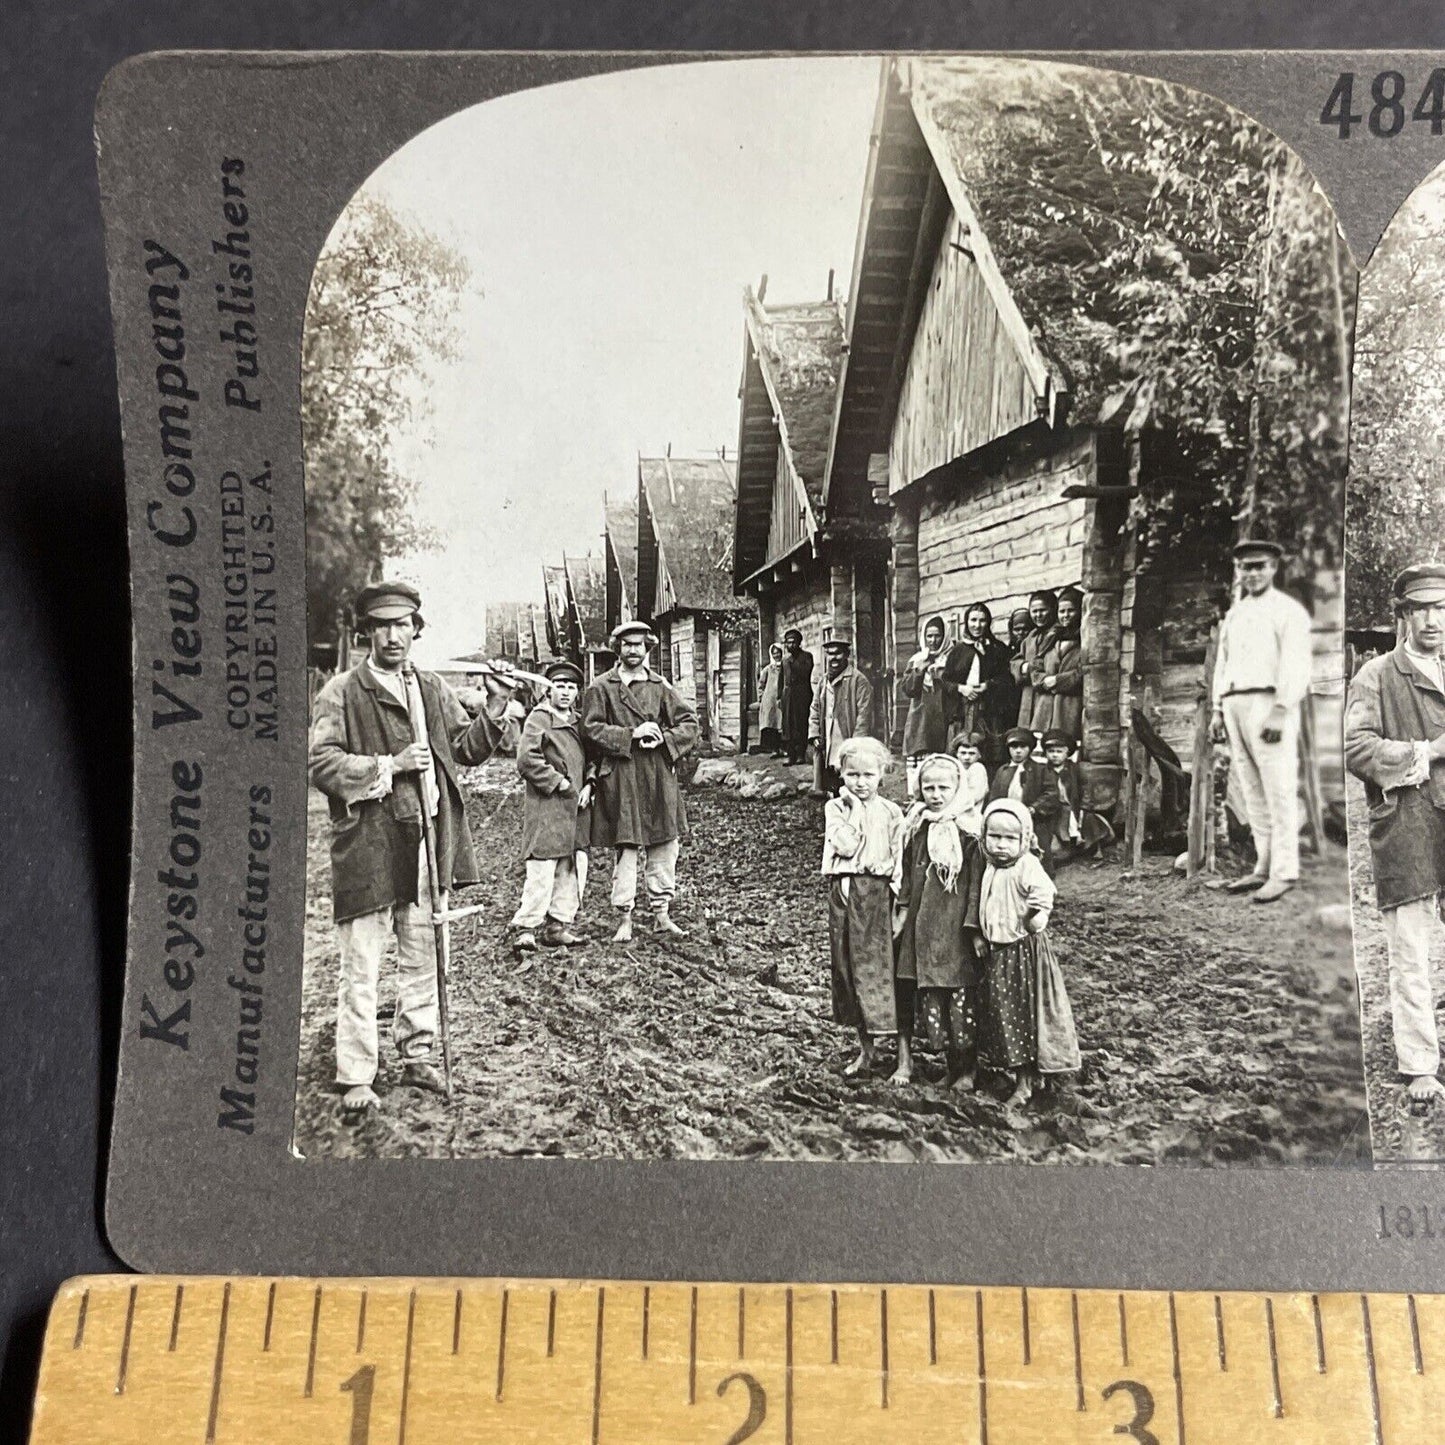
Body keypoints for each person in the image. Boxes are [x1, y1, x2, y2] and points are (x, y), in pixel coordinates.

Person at [308, 580, 526, 1119]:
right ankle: (357, 1072)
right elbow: (320, 763)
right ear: (367, 634)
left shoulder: (430, 688)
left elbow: (467, 750)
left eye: (402, 624)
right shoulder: (341, 692)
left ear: (416, 630)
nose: (393, 635)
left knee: (424, 955)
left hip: (427, 840)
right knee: (362, 962)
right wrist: (389, 766)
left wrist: (496, 706)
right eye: (381, 625)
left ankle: (417, 1053)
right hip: (368, 844)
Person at [1344, 561, 1445, 1105]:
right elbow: (1356, 749)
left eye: (1441, 608)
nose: (1433, 620)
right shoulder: (1376, 676)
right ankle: (1420, 1065)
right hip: (1408, 825)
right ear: (1403, 615)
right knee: (1411, 948)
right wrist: (1426, 752)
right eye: (1422, 609)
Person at [581, 620, 700, 943]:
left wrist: (663, 737)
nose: (633, 650)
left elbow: (689, 723)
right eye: (626, 644)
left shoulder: (660, 686)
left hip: (657, 775)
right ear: (617, 648)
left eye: (639, 644)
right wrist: (630, 735)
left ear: (648, 648)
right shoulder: (601, 687)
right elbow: (590, 729)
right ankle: (625, 916)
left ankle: (662, 913)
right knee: (628, 846)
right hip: (622, 775)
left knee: (664, 843)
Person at [1210, 538, 1314, 904]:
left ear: (1273, 568)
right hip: (1236, 702)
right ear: (1238, 572)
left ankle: (1284, 871)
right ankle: (1262, 864)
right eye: (1245, 567)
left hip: (1269, 702)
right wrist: (1217, 710)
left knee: (1279, 788)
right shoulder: (1235, 614)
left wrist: (1282, 709)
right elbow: (1223, 663)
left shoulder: (1287, 611)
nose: (1252, 574)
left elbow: (1297, 664)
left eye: (1259, 566)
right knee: (1252, 789)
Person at [976, 798, 1081, 1108]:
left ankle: (1027, 1082)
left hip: (1024, 951)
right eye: (994, 837)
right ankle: (1021, 1074)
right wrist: (983, 935)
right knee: (1006, 1014)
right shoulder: (992, 866)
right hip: (1000, 952)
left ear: (1024, 839)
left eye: (1010, 838)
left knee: (1024, 1013)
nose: (1001, 845)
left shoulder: (1026, 865)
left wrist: (1034, 917)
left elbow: (1044, 895)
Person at [894, 754, 986, 1089]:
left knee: (960, 997)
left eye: (943, 787)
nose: (935, 794)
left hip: (955, 928)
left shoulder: (969, 833)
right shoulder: (918, 826)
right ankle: (950, 1064)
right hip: (923, 926)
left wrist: (974, 928)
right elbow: (905, 873)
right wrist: (903, 908)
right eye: (928, 787)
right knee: (933, 997)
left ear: (958, 787)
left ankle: (968, 1068)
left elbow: (976, 884)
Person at [822, 736, 905, 1079]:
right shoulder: (836, 809)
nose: (860, 782)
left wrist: (898, 908)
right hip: (844, 891)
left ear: (881, 775)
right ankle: (866, 1050)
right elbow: (846, 844)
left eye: (868, 775)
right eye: (852, 774)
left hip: (877, 894)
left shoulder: (891, 812)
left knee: (883, 970)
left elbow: (899, 860)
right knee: (848, 970)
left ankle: (903, 1057)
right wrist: (854, 808)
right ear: (841, 774)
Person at [511, 659, 593, 953]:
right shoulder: (539, 719)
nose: (566, 692)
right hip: (547, 806)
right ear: (548, 691)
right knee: (542, 869)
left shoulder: (579, 721)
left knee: (572, 867)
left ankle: (558, 925)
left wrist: (589, 784)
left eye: (571, 687)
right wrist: (558, 782)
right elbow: (527, 759)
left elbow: (593, 757)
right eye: (559, 686)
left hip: (577, 808)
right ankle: (527, 928)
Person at [943, 601, 1013, 755]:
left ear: (988, 622)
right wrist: (962, 689)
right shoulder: (958, 651)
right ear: (967, 622)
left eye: (982, 620)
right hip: (963, 710)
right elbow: (945, 681)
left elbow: (1007, 679)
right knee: (963, 752)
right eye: (973, 620)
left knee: (989, 752)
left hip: (990, 712)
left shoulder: (997, 648)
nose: (977, 625)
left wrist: (987, 685)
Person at [809, 638, 875, 796]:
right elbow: (815, 708)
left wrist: (856, 743)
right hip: (828, 735)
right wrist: (815, 733)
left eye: (838, 654)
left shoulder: (858, 681)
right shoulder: (824, 681)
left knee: (850, 777)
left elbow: (864, 715)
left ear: (847, 655)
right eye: (830, 654)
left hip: (846, 736)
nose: (833, 658)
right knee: (830, 778)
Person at [900, 615, 954, 798]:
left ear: (944, 636)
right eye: (929, 636)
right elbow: (908, 690)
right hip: (920, 719)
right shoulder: (917, 659)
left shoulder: (952, 657)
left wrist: (939, 675)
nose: (933, 640)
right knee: (918, 764)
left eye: (937, 635)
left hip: (943, 717)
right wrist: (919, 670)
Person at [1032, 587, 1084, 745]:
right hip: (1044, 712)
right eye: (1062, 611)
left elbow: (1084, 672)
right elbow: (1036, 667)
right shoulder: (1051, 638)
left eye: (1071, 611)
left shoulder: (1085, 639)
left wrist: (1057, 681)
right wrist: (1043, 680)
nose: (1066, 616)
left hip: (1069, 711)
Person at [1013, 589, 1058, 734]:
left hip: (1048, 695)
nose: (1038, 615)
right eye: (1034, 611)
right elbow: (1015, 662)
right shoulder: (1031, 637)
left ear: (1052, 609)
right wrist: (1024, 667)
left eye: (1042, 610)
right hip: (1028, 695)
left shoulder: (1058, 634)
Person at [989, 726, 1047, 809]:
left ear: (1030, 749)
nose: (1018, 751)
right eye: (1014, 747)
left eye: (1023, 747)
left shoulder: (1040, 769)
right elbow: (994, 796)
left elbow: (1050, 794)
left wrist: (1034, 808)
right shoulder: (1003, 770)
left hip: (1032, 816)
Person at [779, 629, 814, 765]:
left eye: (794, 642)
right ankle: (791, 755)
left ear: (799, 643)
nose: (791, 645)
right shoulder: (785, 660)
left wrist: (794, 663)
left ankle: (801, 754)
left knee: (800, 724)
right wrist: (779, 697)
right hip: (788, 696)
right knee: (788, 726)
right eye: (788, 642)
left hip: (802, 693)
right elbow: (781, 680)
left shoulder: (806, 657)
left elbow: (806, 672)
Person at [947, 728, 991, 836]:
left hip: (969, 822)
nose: (966, 757)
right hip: (952, 818)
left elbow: (972, 798)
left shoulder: (977, 769)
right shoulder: (954, 769)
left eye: (972, 753)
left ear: (979, 755)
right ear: (956, 754)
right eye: (963, 753)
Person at [1001, 607, 1034, 732]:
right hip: (1010, 705)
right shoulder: (1005, 652)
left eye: (1025, 629)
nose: (1021, 633)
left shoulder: (1035, 649)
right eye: (1017, 629)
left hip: (1029, 701)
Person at [758, 641, 785, 755]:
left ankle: (783, 749)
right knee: (772, 723)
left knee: (782, 723)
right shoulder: (768, 669)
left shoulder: (786, 667)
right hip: (770, 700)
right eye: (774, 653)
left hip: (781, 699)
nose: (776, 655)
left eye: (778, 653)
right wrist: (761, 698)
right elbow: (761, 685)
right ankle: (773, 749)